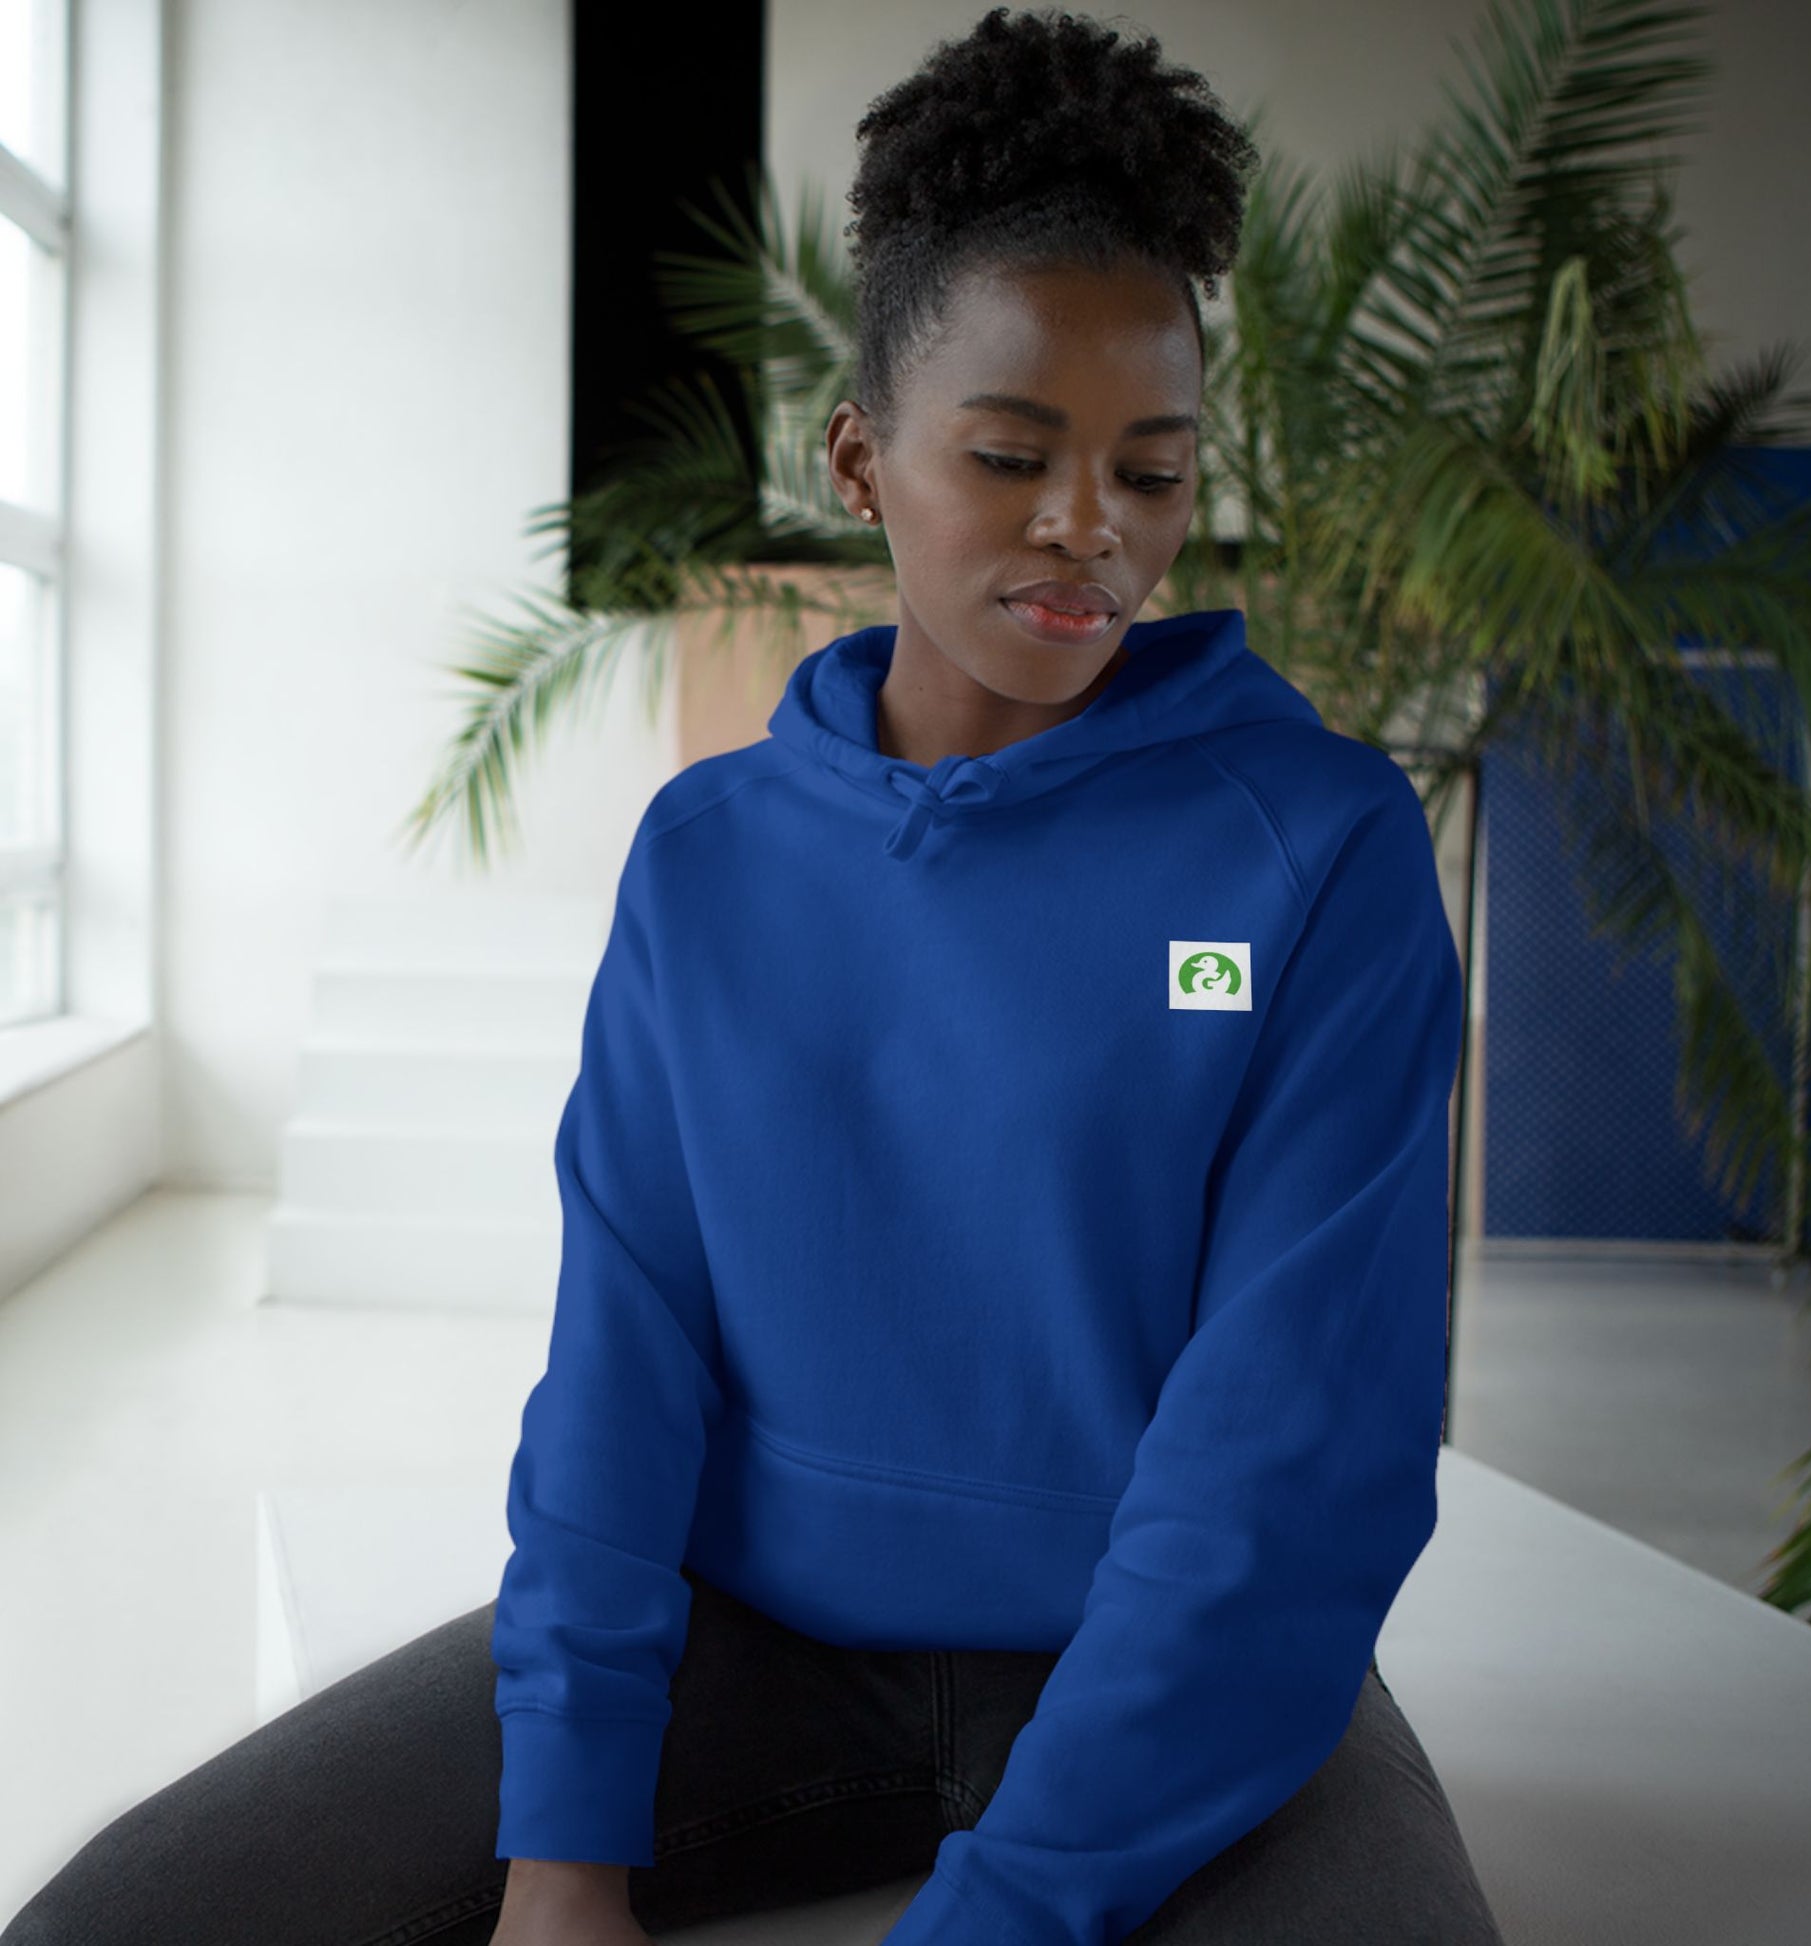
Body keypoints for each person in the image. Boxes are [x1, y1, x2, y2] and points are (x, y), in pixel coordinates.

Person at [1, 9, 1507, 1944]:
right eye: (1011, 454)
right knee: (117, 1920)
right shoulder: (707, 857)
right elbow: (623, 1357)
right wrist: (563, 1857)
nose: (1091, 528)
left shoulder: (1317, 848)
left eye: (1152, 468)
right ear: (859, 457)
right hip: (755, 1650)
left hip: (1175, 1667)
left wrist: (999, 1913)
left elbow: (1286, 1453)